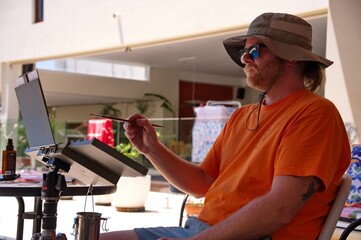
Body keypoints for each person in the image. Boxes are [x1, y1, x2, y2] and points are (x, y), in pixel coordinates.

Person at [100, 12, 351, 240]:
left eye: (254, 51)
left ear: (291, 58)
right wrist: (151, 149)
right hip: (202, 229)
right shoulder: (241, 116)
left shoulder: (315, 113)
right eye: (244, 51)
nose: (244, 58)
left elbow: (280, 209)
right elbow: (202, 183)